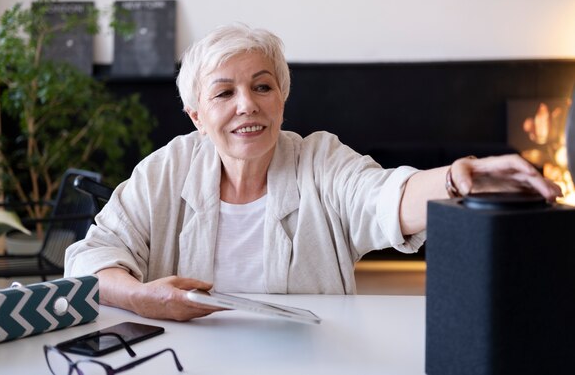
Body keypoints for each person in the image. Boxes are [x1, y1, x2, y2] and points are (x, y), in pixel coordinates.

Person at [64, 23, 561, 322]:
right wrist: (139, 296)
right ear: (196, 115)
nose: (247, 106)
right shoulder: (167, 168)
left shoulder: (320, 159)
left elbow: (382, 195)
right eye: (223, 93)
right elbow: (91, 256)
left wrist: (457, 177)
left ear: (281, 99)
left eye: (263, 86)